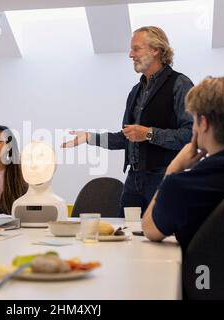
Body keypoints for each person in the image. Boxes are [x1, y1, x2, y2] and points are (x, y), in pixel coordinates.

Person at [62, 26, 194, 217]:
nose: (131, 55)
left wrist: (149, 133)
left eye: (136, 49)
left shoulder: (180, 84)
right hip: (134, 179)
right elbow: (128, 138)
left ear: (156, 50)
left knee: (162, 239)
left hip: (164, 178)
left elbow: (190, 135)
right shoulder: (135, 91)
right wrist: (90, 138)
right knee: (124, 235)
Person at [141, 76, 224, 251]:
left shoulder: (182, 186)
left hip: (202, 278)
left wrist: (173, 169)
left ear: (203, 123)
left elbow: (149, 230)